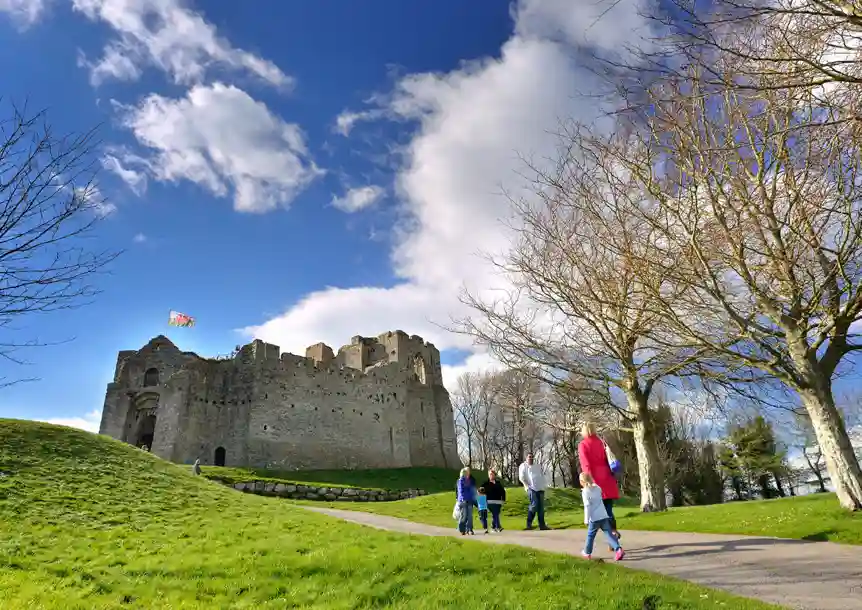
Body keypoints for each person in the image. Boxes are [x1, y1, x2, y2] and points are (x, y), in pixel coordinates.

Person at [578, 421, 621, 544]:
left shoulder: (583, 445)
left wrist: (588, 482)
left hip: (595, 480)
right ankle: (613, 532)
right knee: (608, 510)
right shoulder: (601, 442)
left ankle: (611, 540)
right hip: (607, 478)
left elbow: (586, 465)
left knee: (598, 513)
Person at [580, 472, 625, 561]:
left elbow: (587, 506)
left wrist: (586, 520)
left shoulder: (585, 492)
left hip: (594, 518)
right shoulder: (598, 488)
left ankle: (587, 552)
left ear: (582, 481)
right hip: (603, 515)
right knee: (608, 534)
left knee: (590, 536)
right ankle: (618, 549)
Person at [518, 452, 550, 530]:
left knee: (541, 508)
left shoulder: (537, 466)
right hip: (531, 488)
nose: (531, 458)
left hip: (540, 488)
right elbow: (521, 477)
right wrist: (526, 486)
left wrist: (545, 485)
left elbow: (541, 476)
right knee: (534, 504)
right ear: (526, 458)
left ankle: (542, 525)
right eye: (529, 457)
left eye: (532, 457)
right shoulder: (523, 466)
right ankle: (529, 524)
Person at [456, 467, 476, 535]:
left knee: (469, 516)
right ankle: (461, 529)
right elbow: (461, 491)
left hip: (469, 500)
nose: (467, 474)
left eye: (468, 472)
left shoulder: (470, 481)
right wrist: (463, 499)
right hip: (463, 501)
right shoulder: (460, 481)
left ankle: (469, 529)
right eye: (466, 472)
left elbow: (471, 490)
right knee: (463, 516)